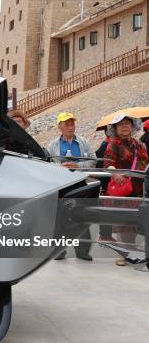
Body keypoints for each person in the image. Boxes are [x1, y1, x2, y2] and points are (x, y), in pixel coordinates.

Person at [46, 112, 95, 261]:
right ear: (59, 127)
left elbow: (93, 161)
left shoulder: (84, 142)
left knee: (81, 215)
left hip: (80, 183)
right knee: (59, 217)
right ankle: (58, 251)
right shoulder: (53, 144)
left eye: (72, 123)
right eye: (66, 124)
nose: (70, 126)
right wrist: (59, 167)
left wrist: (77, 165)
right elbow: (48, 163)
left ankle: (83, 251)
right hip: (60, 183)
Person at [103, 114, 148, 266]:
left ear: (132, 125)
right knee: (123, 222)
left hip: (138, 188)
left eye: (127, 123)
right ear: (115, 128)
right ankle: (123, 253)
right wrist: (114, 173)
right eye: (120, 124)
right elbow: (107, 164)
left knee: (134, 222)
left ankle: (130, 249)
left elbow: (145, 162)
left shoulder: (139, 144)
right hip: (123, 189)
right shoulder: (113, 144)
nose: (124, 126)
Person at [95, 132, 115, 242]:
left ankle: (106, 236)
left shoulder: (107, 143)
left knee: (106, 210)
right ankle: (105, 236)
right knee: (105, 210)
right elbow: (100, 164)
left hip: (106, 183)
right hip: (107, 183)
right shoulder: (106, 145)